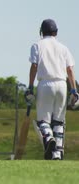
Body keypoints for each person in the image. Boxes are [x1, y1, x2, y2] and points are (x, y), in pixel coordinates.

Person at [25, 19, 78, 160]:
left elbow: (34, 66)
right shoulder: (63, 48)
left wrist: (30, 86)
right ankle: (57, 154)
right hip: (62, 85)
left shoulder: (37, 45)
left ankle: (48, 139)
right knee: (59, 122)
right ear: (56, 32)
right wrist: (74, 90)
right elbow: (70, 70)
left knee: (43, 122)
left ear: (42, 32)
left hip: (45, 84)